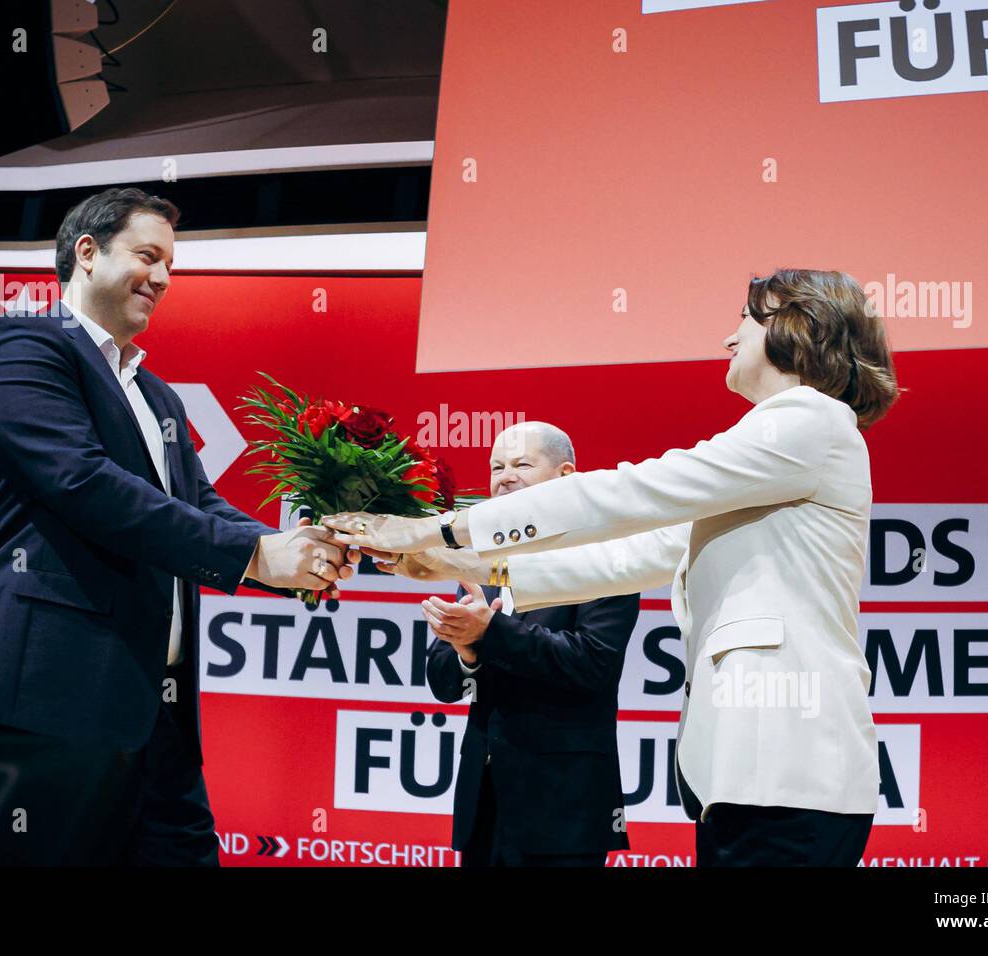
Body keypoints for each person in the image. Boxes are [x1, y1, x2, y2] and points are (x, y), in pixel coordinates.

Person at [327, 268, 900, 866]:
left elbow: (629, 494)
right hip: (755, 778)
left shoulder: (805, 419)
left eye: (745, 321)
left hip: (786, 768)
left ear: (796, 326)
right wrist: (452, 562)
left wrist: (437, 527)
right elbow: (632, 556)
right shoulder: (783, 448)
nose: (730, 340)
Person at [0, 187, 357, 866]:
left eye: (170, 265)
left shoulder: (155, 392)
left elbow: (196, 503)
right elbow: (85, 484)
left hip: (154, 717)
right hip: (47, 700)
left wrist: (299, 551)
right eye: (147, 256)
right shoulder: (26, 345)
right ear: (87, 252)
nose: (162, 278)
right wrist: (254, 552)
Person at [420, 421, 640, 867]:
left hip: (563, 806)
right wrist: (465, 652)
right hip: (484, 803)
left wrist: (489, 633)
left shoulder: (605, 557)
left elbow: (592, 662)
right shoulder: (482, 558)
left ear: (565, 475)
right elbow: (443, 684)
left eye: (521, 463)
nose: (505, 476)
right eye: (496, 466)